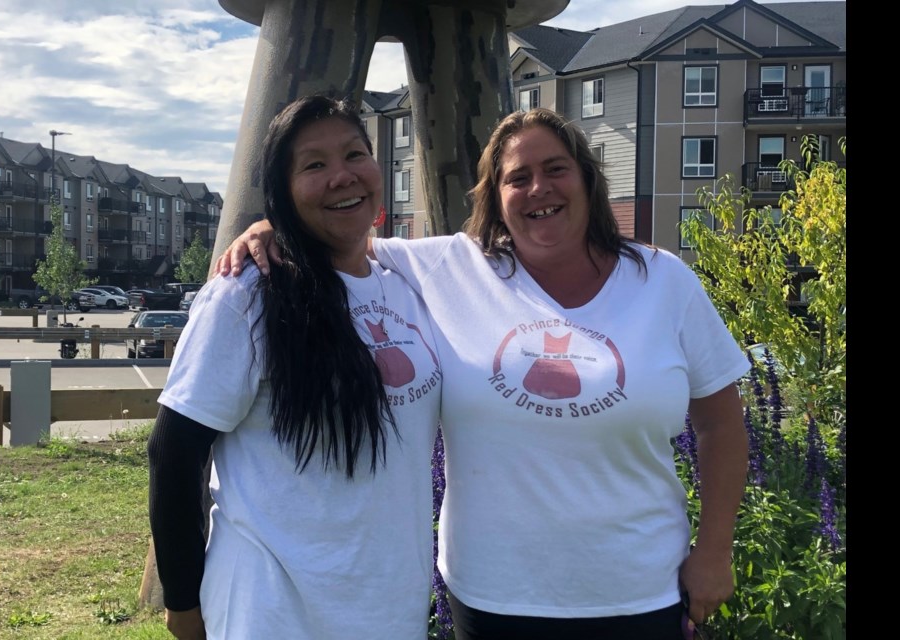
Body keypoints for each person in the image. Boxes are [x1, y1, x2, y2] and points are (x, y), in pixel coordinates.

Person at [218, 107, 750, 639]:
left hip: (640, 589)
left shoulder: (663, 281)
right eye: (517, 178)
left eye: (556, 169)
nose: (539, 188)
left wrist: (715, 551)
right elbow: (341, 230)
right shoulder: (452, 266)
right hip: (493, 596)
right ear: (495, 198)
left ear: (588, 178)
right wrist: (273, 225)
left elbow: (721, 425)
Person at [148, 96, 443, 640]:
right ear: (281, 192)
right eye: (314, 165)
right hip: (270, 609)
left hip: (387, 605)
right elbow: (175, 451)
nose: (342, 176)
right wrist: (183, 605)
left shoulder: (412, 281)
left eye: (355, 154)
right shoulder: (246, 296)